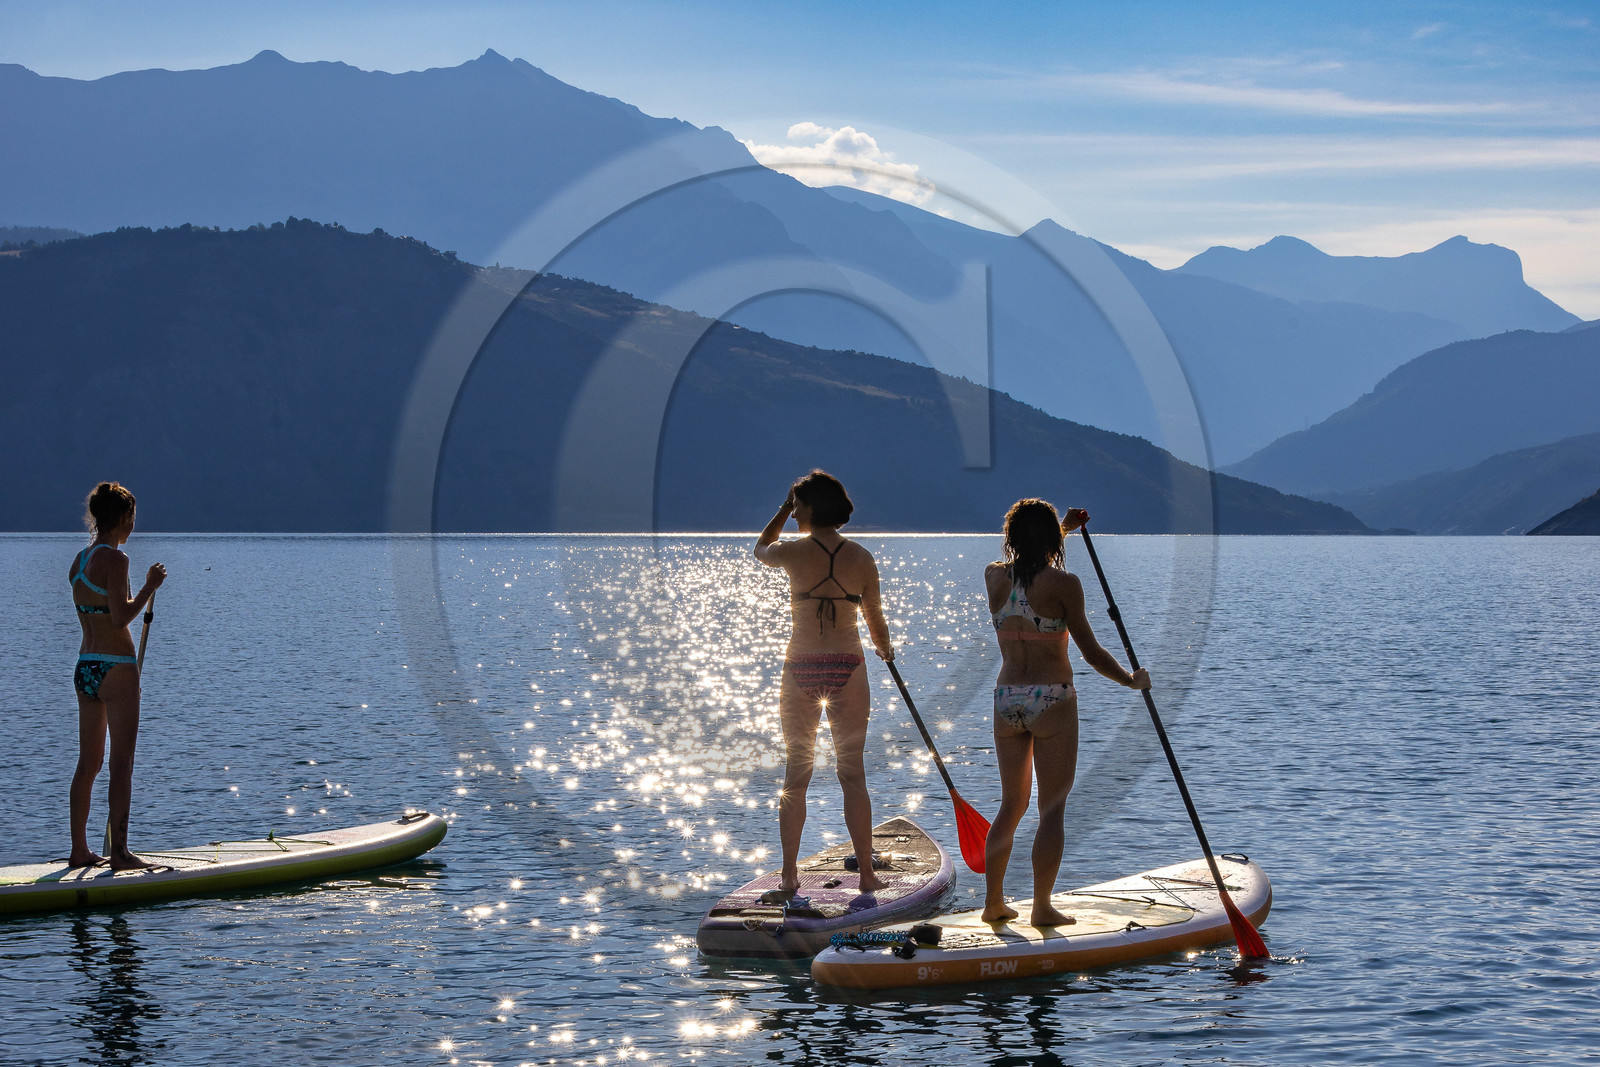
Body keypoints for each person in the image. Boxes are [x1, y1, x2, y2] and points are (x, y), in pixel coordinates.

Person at [982, 499, 1149, 925]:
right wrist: (1131, 680)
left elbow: (1026, 560)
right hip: (1051, 698)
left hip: (1006, 698)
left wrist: (1062, 528)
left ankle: (994, 903)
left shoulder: (994, 577)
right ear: (1050, 538)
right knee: (1051, 808)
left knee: (1010, 806)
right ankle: (1041, 908)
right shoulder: (1065, 584)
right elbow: (1092, 653)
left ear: (1011, 535)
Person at [754, 470, 894, 893]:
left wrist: (780, 509)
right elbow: (875, 620)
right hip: (848, 667)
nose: (794, 510)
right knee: (853, 775)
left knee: (796, 776)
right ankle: (867, 876)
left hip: (801, 668)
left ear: (810, 508)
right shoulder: (863, 558)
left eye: (798, 504)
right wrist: (885, 651)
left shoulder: (793, 554)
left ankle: (789, 876)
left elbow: (760, 548)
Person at [67, 482, 165, 870]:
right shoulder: (116, 560)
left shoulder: (79, 560)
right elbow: (122, 616)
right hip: (116, 669)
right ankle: (120, 854)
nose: (132, 526)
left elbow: (97, 612)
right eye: (132, 519)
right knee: (121, 763)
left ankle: (79, 850)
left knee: (87, 764)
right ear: (124, 518)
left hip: (86, 667)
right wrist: (149, 587)